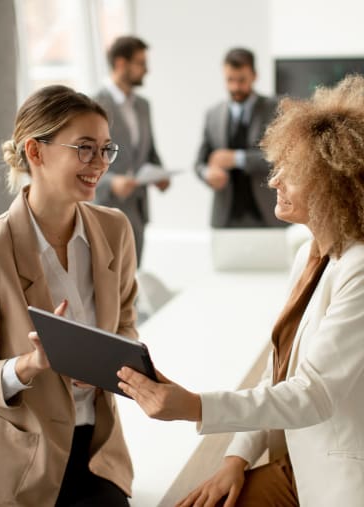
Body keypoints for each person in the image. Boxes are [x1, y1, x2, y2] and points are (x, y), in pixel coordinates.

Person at [117, 74, 364, 507]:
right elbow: (278, 373)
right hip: (295, 460)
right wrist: (235, 457)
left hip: (337, 472)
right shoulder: (310, 253)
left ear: (335, 184)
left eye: (293, 171)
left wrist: (194, 406)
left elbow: (314, 393)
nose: (274, 181)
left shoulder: (359, 270)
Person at [0, 85, 138, 506]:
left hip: (99, 454)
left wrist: (105, 361)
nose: (98, 163)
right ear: (36, 153)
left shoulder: (115, 231)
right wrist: (29, 365)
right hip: (16, 465)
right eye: (83, 148)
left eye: (105, 149)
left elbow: (128, 327)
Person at [93, 35, 170, 266]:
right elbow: (82, 160)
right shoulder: (93, 104)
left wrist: (160, 173)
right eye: (141, 63)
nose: (147, 70)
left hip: (138, 209)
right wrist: (111, 181)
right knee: (108, 281)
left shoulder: (143, 106)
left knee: (133, 279)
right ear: (120, 64)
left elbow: (149, 151)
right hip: (106, 208)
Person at [195, 47, 285, 229]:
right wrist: (207, 174)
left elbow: (281, 158)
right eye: (230, 80)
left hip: (267, 215)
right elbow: (199, 163)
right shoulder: (212, 114)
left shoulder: (276, 109)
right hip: (225, 218)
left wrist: (236, 159)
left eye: (242, 80)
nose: (235, 87)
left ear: (254, 75)